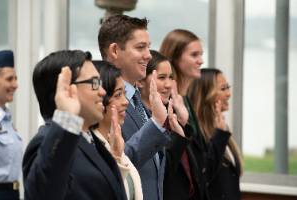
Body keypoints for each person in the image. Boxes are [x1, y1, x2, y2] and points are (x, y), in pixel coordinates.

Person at [22, 50, 127, 200]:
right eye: (94, 83)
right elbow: (43, 194)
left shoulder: (90, 139)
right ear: (65, 89)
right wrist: (66, 118)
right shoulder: (48, 141)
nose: (103, 92)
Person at [98, 15, 175, 200]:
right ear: (115, 50)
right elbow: (114, 162)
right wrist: (156, 124)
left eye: (148, 47)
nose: (149, 54)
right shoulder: (101, 99)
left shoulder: (137, 97)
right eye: (140, 47)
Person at [160, 29, 231, 200]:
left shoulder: (186, 101)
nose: (201, 61)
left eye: (201, 54)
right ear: (175, 57)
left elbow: (201, 168)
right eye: (194, 55)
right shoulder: (168, 105)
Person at [188, 68, 243, 200]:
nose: (229, 93)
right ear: (205, 94)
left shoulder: (221, 128)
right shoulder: (195, 135)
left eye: (228, 87)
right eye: (223, 89)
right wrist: (220, 136)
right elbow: (203, 177)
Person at [92, 60, 143, 200]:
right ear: (100, 98)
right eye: (118, 94)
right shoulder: (89, 146)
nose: (126, 101)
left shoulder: (113, 141)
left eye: (124, 94)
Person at [0, 50, 22, 200]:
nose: (15, 85)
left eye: (16, 79)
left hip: (12, 193)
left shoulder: (6, 119)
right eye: (9, 79)